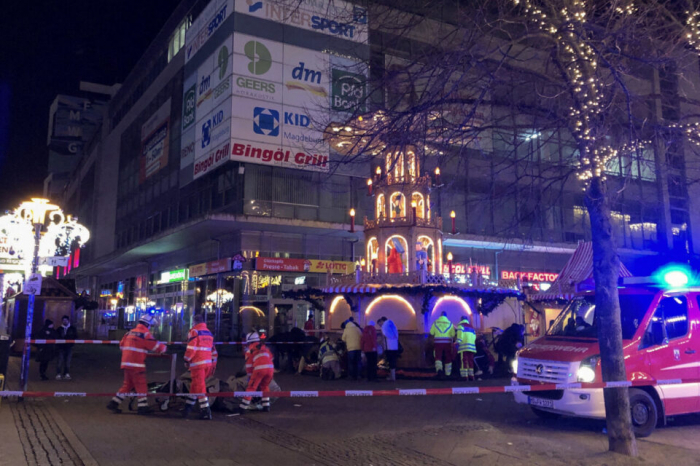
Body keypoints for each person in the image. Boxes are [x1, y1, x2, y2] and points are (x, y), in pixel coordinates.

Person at [106, 314, 167, 414]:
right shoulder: (145, 334)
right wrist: (164, 348)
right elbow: (157, 347)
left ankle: (114, 403)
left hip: (126, 363)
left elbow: (121, 346)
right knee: (141, 384)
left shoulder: (129, 332)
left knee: (128, 384)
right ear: (148, 325)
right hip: (137, 364)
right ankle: (143, 407)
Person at [182, 314, 218, 420]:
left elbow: (191, 348)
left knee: (200, 387)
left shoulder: (194, 331)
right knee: (195, 386)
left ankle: (205, 410)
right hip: (207, 364)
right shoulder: (208, 332)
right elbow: (213, 350)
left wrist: (186, 359)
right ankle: (188, 407)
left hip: (197, 364)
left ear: (194, 322)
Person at [240, 331, 274, 412]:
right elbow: (271, 358)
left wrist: (250, 377)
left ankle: (242, 407)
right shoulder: (265, 348)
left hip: (259, 369)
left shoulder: (250, 351)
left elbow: (249, 366)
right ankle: (266, 406)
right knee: (265, 386)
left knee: (251, 387)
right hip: (270, 369)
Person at [429, 312, 455, 378]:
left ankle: (439, 371)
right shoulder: (450, 323)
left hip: (438, 342)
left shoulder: (435, 323)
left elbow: (431, 333)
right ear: (446, 316)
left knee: (438, 357)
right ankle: (448, 373)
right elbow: (453, 335)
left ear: (440, 316)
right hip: (448, 343)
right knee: (448, 357)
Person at [377, 316, 399, 381]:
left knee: (390, 361)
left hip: (389, 346)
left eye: (379, 324)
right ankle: (393, 376)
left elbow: (385, 334)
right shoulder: (392, 324)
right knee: (393, 361)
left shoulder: (385, 326)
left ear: (381, 321)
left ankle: (392, 377)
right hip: (395, 346)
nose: (380, 325)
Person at [56, 315, 77, 380]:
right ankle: (58, 374)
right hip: (61, 347)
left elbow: (75, 336)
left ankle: (66, 373)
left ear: (68, 321)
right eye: (63, 320)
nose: (64, 322)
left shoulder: (72, 329)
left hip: (69, 347)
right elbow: (57, 337)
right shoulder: (59, 329)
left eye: (66, 320)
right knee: (60, 361)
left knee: (68, 361)